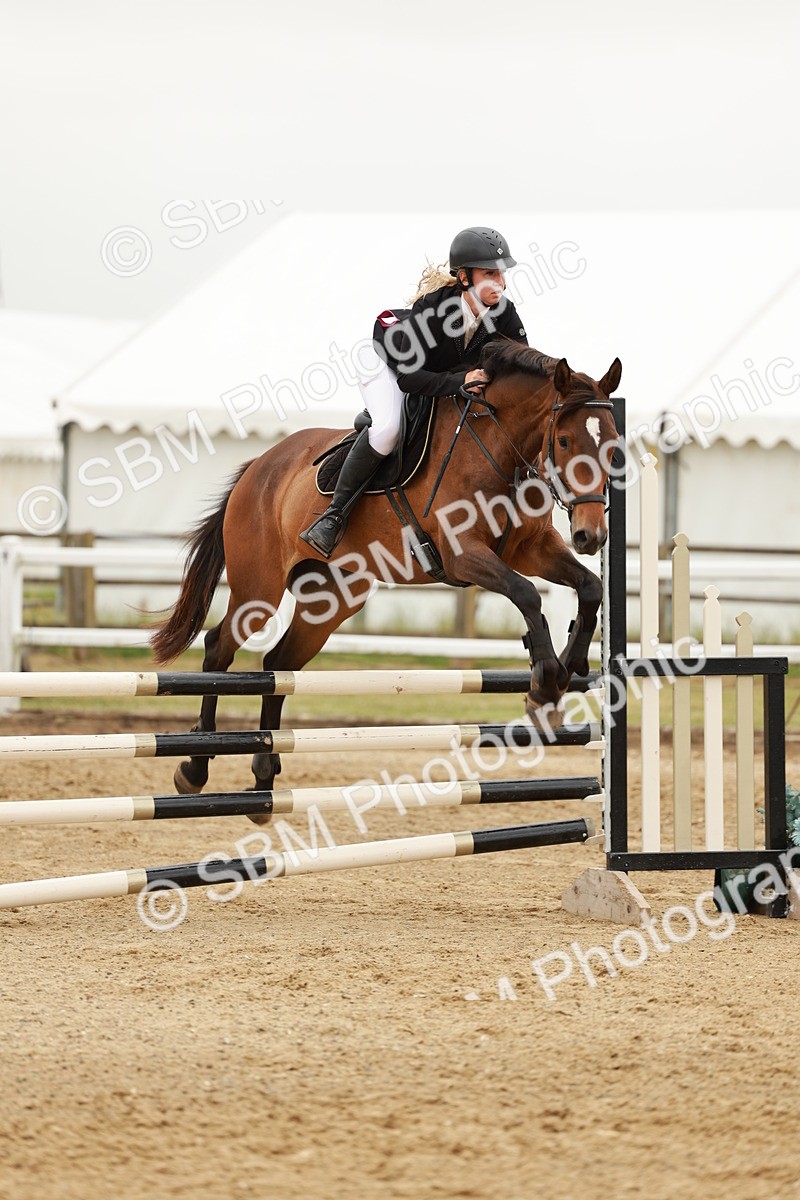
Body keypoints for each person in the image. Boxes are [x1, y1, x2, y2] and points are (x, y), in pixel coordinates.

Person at [300, 226, 528, 558]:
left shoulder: (503, 313)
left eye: (502, 273)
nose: (501, 282)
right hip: (386, 364)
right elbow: (409, 380)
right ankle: (333, 516)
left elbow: (520, 363)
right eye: (489, 273)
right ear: (465, 277)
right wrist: (461, 381)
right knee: (388, 430)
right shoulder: (432, 310)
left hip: (434, 371)